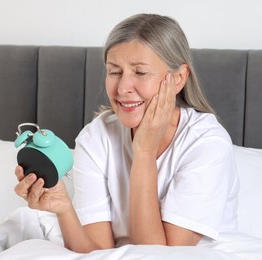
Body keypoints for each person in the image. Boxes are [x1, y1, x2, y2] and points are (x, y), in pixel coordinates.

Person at [14, 13, 239, 253]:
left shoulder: (207, 143)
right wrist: (64, 209)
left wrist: (144, 151)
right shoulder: (96, 138)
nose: (122, 88)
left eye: (140, 73)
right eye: (114, 71)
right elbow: (98, 252)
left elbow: (159, 256)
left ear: (178, 78)